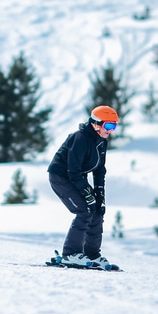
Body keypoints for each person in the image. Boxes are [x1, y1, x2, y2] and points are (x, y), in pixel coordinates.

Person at [48, 105, 118, 268]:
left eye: (114, 126)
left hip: (77, 177)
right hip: (61, 177)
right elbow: (73, 170)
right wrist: (87, 193)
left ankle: (91, 255)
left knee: (97, 210)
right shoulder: (80, 138)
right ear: (95, 124)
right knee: (85, 210)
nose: (110, 130)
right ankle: (70, 254)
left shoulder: (101, 141)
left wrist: (100, 196)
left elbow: (99, 170)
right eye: (108, 126)